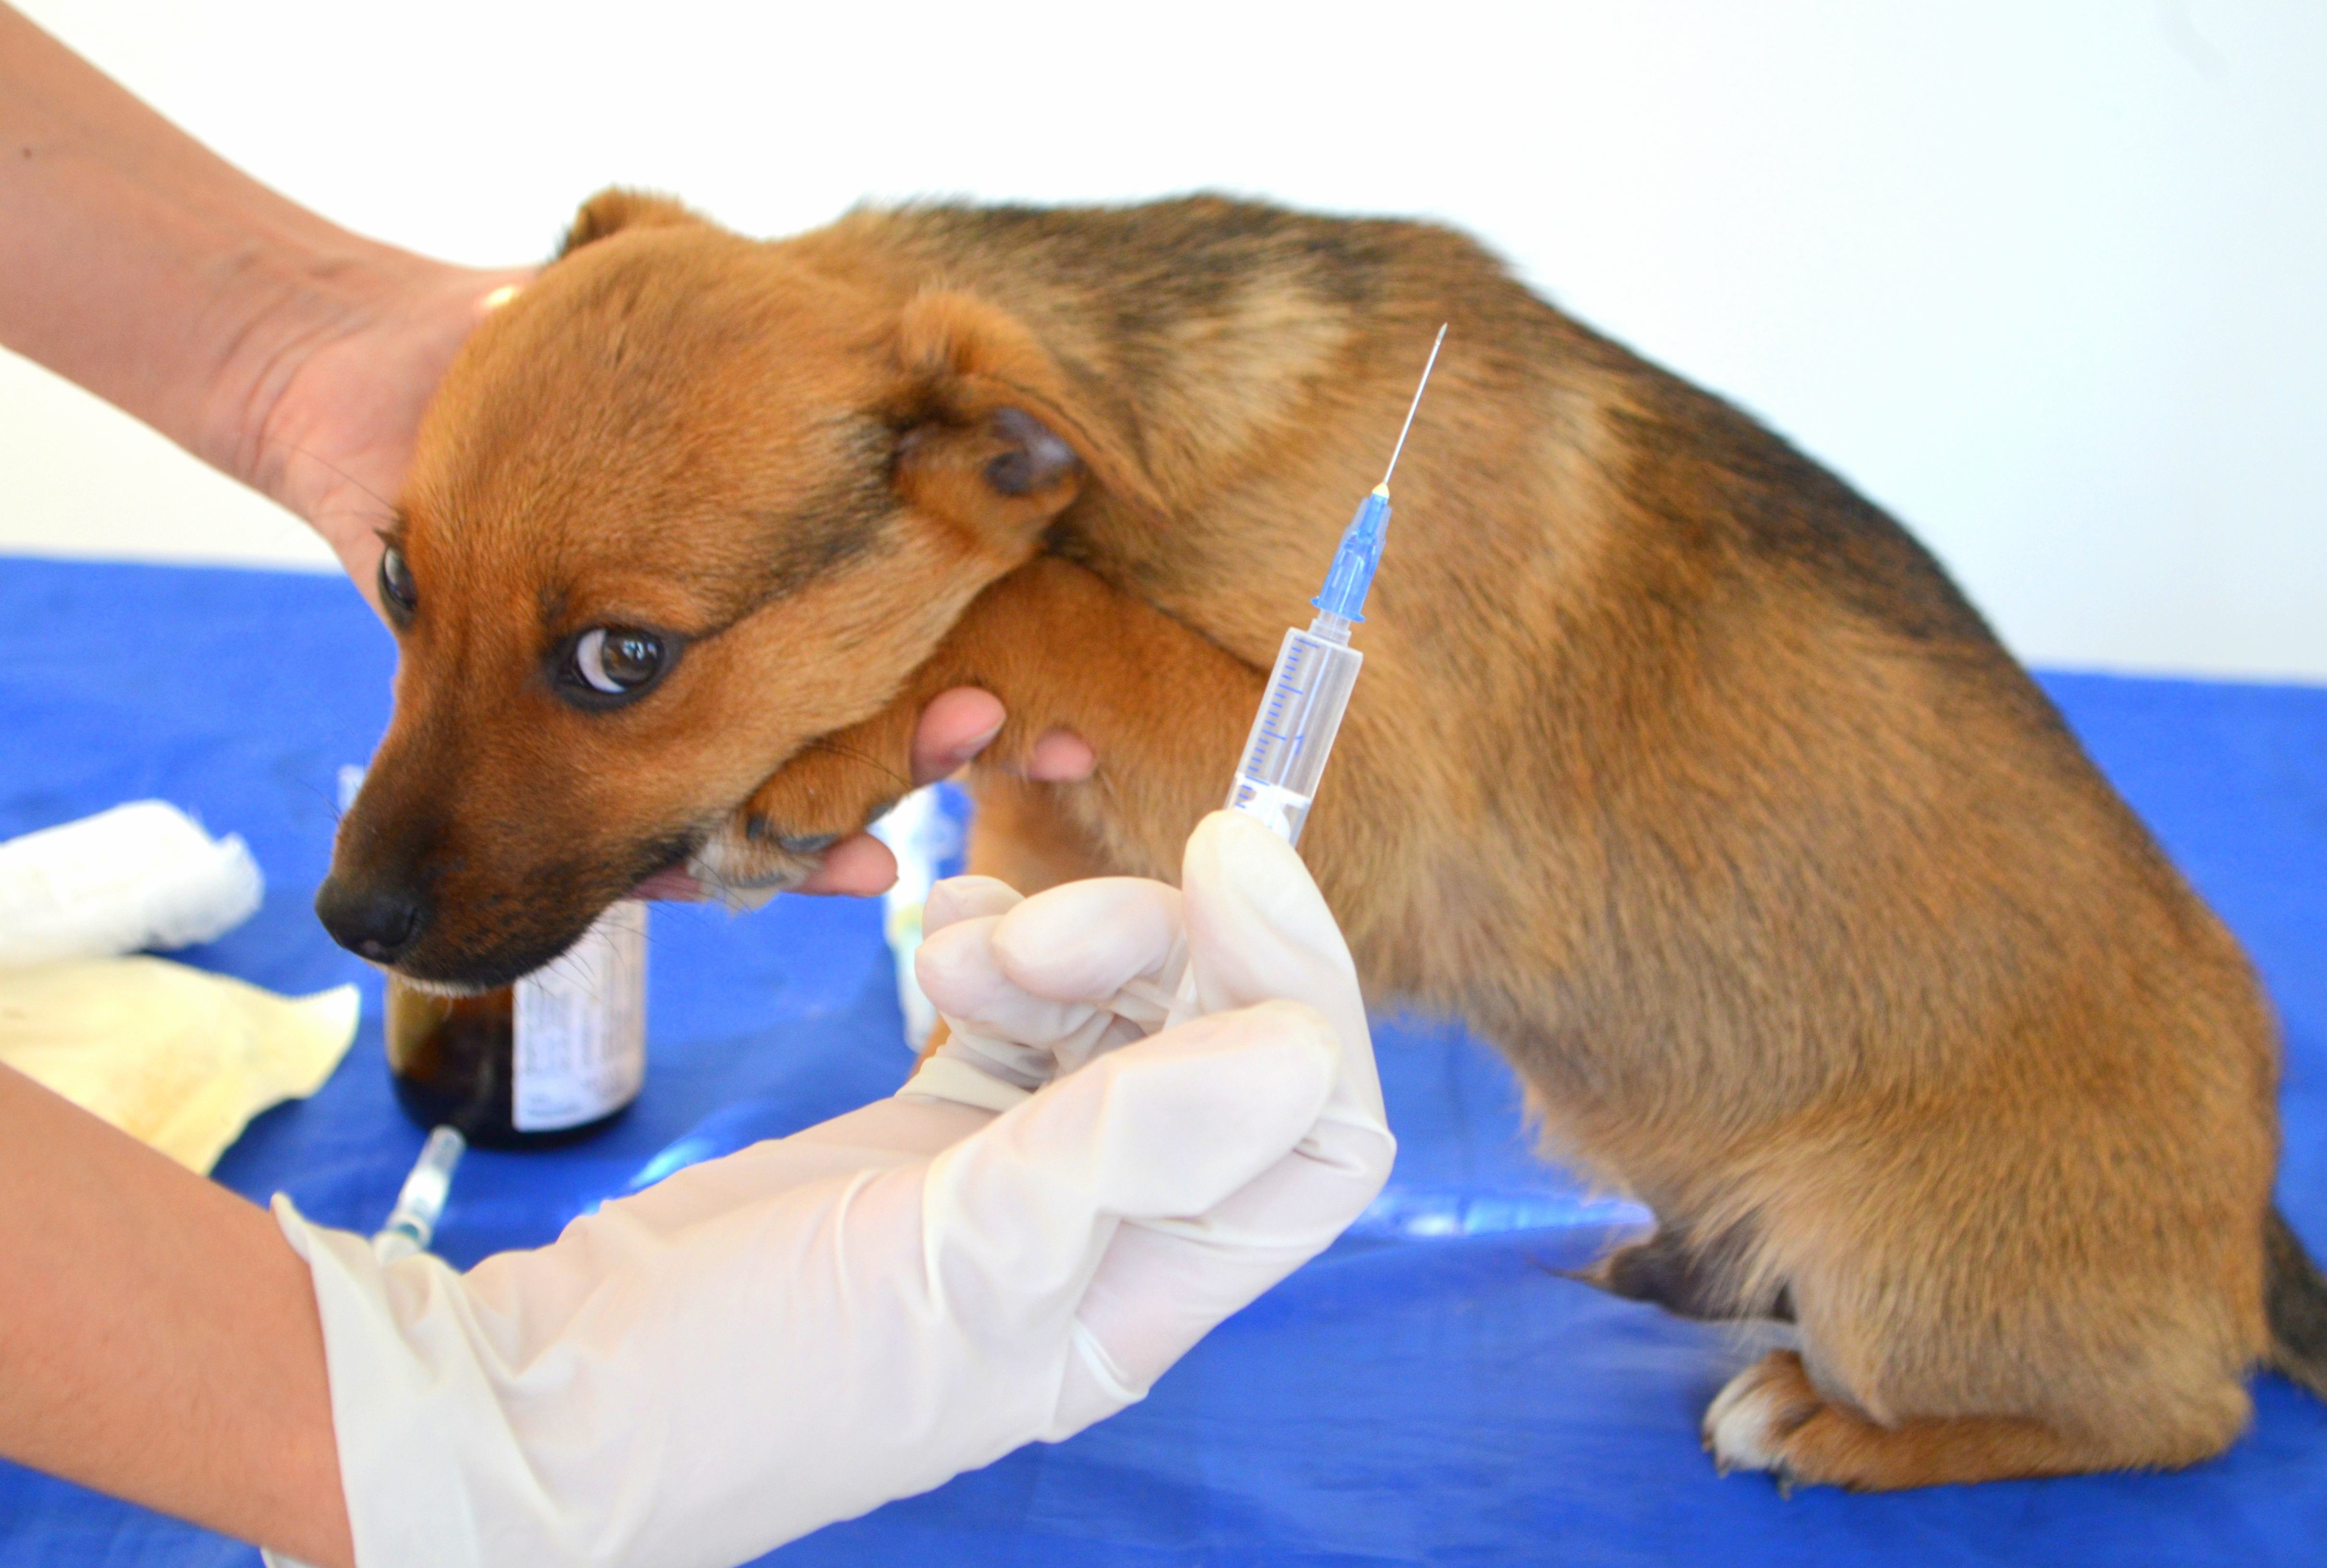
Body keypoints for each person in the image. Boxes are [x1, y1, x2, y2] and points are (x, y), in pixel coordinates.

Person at [0, 9, 1394, 1567]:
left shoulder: (1150, 460)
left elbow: (1380, 824)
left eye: (615, 658)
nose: (377, 856)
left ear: (1002, 457)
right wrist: (453, 1435)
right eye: (410, 577)